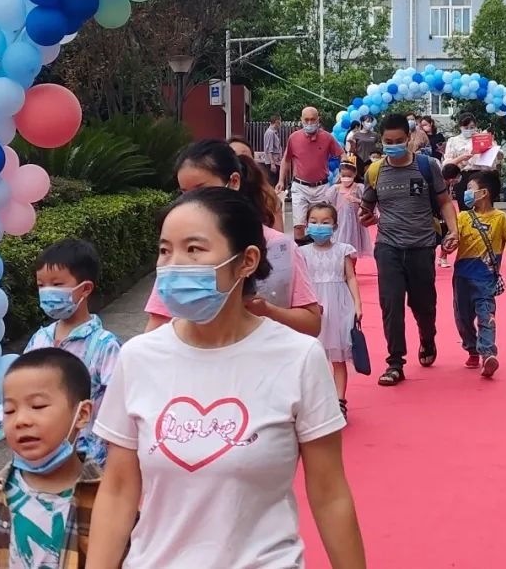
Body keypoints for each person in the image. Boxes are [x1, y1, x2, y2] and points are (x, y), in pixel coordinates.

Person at [86, 188, 366, 569]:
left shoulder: (297, 358)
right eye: (165, 250)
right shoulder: (138, 357)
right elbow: (118, 490)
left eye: (195, 250)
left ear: (246, 261)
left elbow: (329, 492)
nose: (173, 265)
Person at [0, 240, 120, 466]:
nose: (47, 292)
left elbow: (121, 409)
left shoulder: (105, 347)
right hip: (35, 464)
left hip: (87, 468)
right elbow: (18, 398)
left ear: (85, 289)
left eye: (57, 284)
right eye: (41, 285)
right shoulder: (40, 339)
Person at [143, 140, 321, 335]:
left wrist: (268, 311)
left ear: (250, 259)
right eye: (185, 193)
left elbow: (312, 323)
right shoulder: (178, 253)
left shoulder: (279, 247)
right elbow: (156, 326)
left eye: (202, 189)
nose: (192, 201)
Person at [0, 348, 100, 569]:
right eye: (9, 411)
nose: (21, 420)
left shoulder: (106, 497)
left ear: (83, 414)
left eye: (38, 406)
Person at [358, 113, 459, 387]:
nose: (393, 145)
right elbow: (366, 208)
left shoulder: (427, 167)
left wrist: (453, 230)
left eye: (399, 140)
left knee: (423, 305)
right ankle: (395, 363)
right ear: (382, 140)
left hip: (421, 246)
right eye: (388, 141)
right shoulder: (374, 171)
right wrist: (364, 215)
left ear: (409, 139)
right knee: (391, 305)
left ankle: (427, 338)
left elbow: (444, 201)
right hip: (388, 246)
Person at [453, 171, 506, 379]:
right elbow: (453, 238)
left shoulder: (501, 218)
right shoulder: (463, 217)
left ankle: (488, 354)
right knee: (463, 319)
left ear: (484, 193)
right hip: (462, 277)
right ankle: (472, 348)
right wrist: (448, 244)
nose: (466, 193)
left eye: (470, 189)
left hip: (486, 279)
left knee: (487, 317)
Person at [299, 202, 363, 420]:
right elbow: (300, 282)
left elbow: (351, 277)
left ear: (335, 226)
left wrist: (358, 304)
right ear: (306, 225)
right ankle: (313, 403)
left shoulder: (343, 250)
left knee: (338, 357)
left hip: (339, 306)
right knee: (311, 357)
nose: (319, 226)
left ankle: (339, 401)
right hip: (313, 306)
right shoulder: (301, 253)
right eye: (314, 222)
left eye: (325, 222)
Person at [278, 105, 345, 243]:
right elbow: (286, 160)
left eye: (312, 119)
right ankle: (302, 257)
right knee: (298, 226)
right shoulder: (294, 138)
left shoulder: (327, 138)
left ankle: (320, 256)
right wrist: (280, 181)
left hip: (321, 188)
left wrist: (343, 173)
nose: (309, 123)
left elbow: (342, 154)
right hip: (300, 187)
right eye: (306, 120)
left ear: (318, 120)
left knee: (321, 227)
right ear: (301, 120)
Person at [443, 112, 502, 201]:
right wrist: (462, 158)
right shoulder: (453, 141)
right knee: (466, 205)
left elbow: (497, 158)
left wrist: (494, 149)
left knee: (483, 205)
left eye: (472, 127)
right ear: (460, 127)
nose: (469, 130)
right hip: (463, 175)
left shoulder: (482, 137)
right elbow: (447, 164)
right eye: (466, 128)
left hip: (482, 175)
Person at [325, 157, 372, 261]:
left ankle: (352, 270)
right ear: (339, 175)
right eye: (343, 176)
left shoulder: (359, 187)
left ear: (355, 175)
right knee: (340, 247)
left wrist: (357, 200)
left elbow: (367, 202)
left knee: (353, 248)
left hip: (354, 223)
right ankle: (343, 270)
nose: (346, 178)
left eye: (349, 176)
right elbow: (328, 202)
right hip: (340, 222)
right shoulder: (335, 189)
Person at [262, 114, 283, 186]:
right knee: (272, 183)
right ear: (276, 122)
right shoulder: (270, 133)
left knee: (275, 182)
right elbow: (269, 149)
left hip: (276, 161)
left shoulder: (274, 133)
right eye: (280, 122)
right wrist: (272, 164)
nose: (280, 124)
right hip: (273, 162)